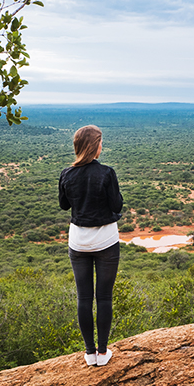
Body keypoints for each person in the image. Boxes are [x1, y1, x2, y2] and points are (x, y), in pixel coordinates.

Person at [58, 125, 123, 367]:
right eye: (100, 143)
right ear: (94, 146)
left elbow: (64, 205)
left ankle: (89, 353)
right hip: (106, 239)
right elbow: (116, 205)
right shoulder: (107, 173)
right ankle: (103, 352)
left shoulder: (67, 174)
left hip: (78, 241)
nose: (102, 147)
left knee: (84, 297)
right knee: (104, 297)